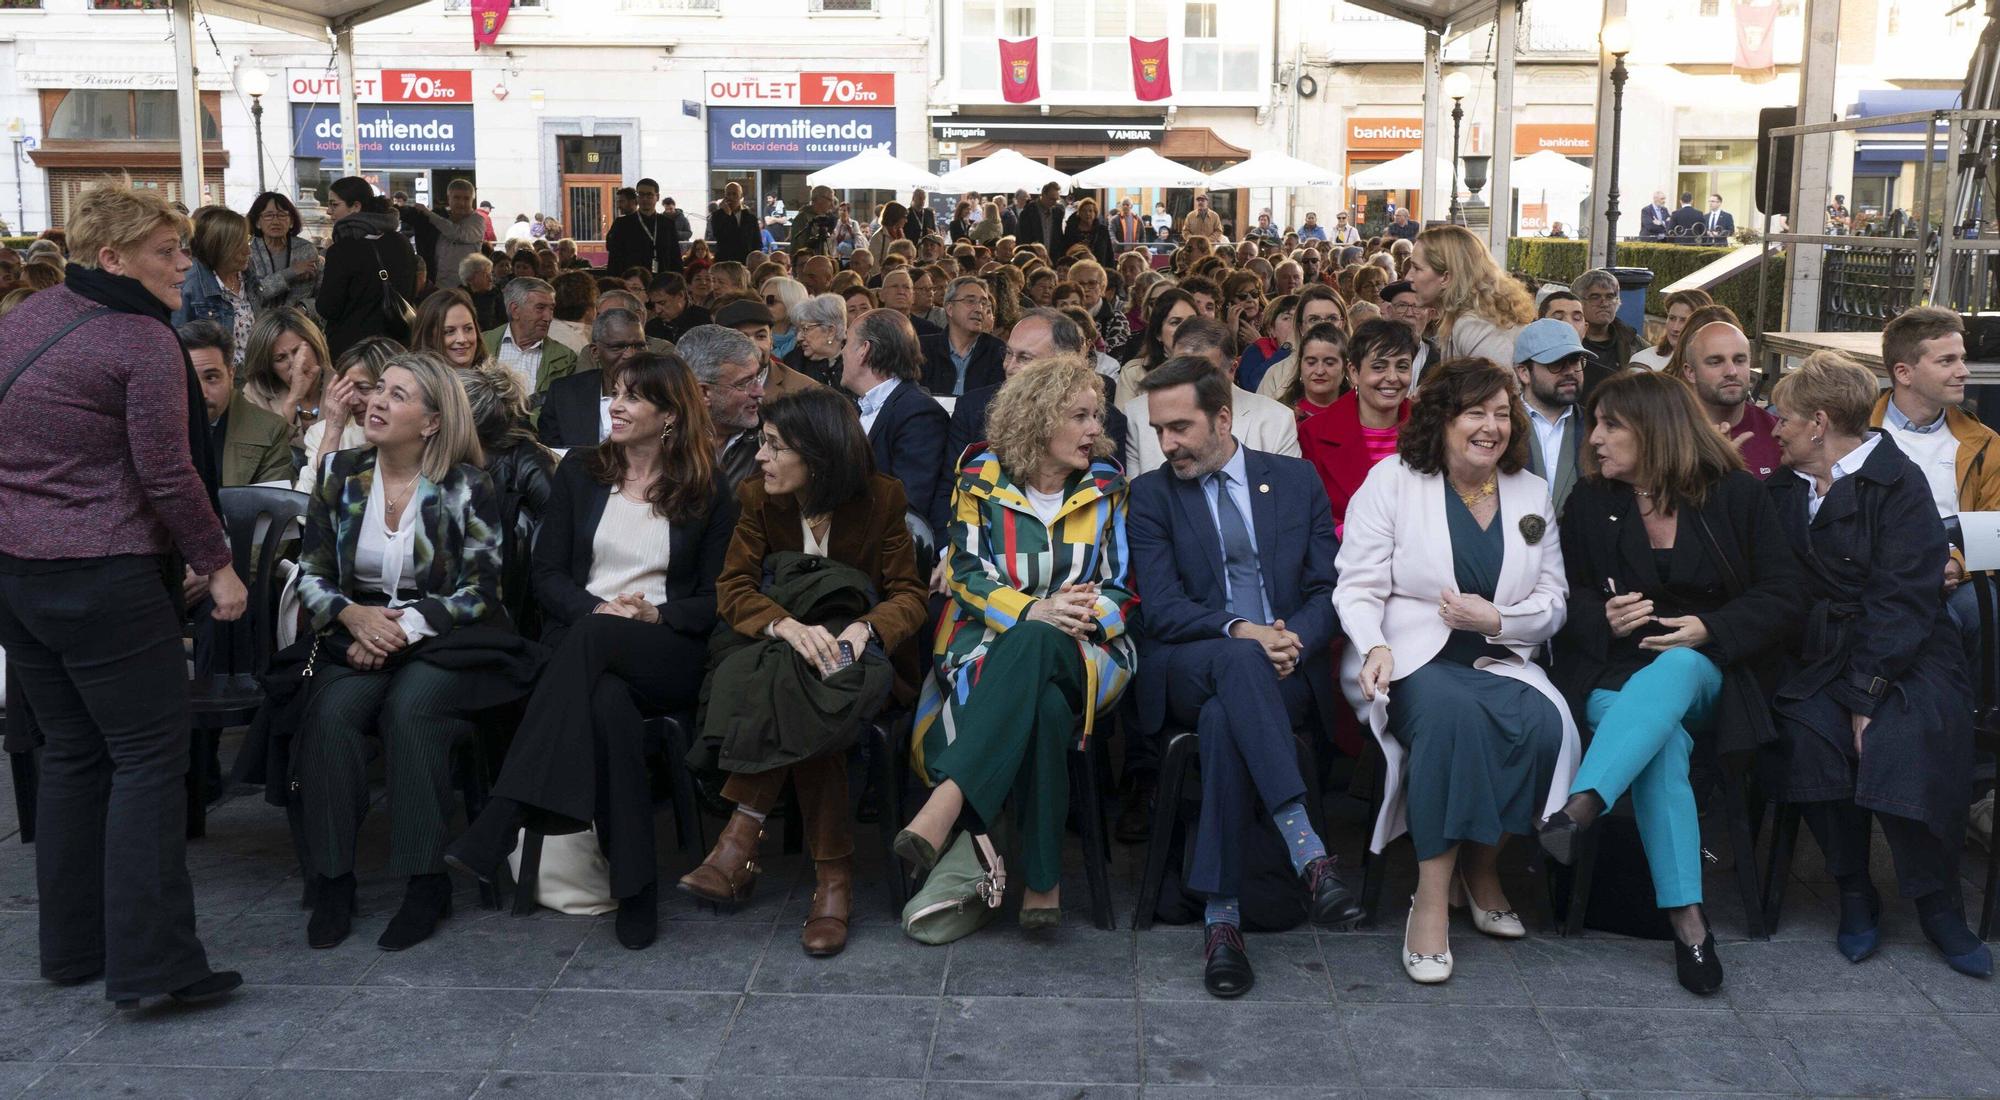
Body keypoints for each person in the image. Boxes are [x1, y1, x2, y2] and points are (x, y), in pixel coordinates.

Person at [0, 182, 247, 1008]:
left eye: (181, 249)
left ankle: (74, 950)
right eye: (164, 252)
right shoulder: (141, 339)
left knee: (72, 753)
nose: (182, 265)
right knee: (147, 759)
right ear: (111, 258)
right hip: (104, 576)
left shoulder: (27, 318)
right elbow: (168, 472)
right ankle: (155, 968)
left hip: (18, 576)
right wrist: (217, 564)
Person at [444, 353, 736, 949]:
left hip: (666, 648)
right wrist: (598, 610)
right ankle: (636, 887)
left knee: (597, 649)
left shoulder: (708, 490)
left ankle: (505, 813)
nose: (615, 407)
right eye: (614, 393)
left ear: (671, 415)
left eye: (632, 397)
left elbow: (717, 598)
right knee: (607, 707)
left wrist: (656, 614)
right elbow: (547, 575)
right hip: (586, 641)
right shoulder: (581, 470)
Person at [1544, 370, 1804, 995]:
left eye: (1611, 425)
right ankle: (1689, 925)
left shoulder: (1735, 495)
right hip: (1613, 672)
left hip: (1711, 672)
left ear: (1655, 430)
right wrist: (1600, 616)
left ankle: (1581, 808)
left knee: (1679, 666)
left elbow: (1786, 593)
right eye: (1595, 423)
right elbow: (1561, 594)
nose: (1594, 438)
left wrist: (1710, 627)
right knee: (1661, 745)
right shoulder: (1591, 501)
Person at [1126, 356, 1364, 997]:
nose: (1167, 444)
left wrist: (1291, 641)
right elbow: (1164, 609)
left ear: (1224, 419)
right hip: (1190, 662)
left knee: (1224, 718)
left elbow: (1327, 589)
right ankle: (1308, 850)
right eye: (1158, 430)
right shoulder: (1150, 495)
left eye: (1180, 427)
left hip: (1283, 667)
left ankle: (1222, 919)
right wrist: (1244, 632)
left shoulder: (1294, 480)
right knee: (1235, 663)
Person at [1334, 357, 1575, 984]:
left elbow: (1553, 599)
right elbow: (1356, 585)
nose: (1491, 427)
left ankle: (1482, 865)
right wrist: (1373, 645)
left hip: (1499, 657)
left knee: (1545, 727)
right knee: (1452, 719)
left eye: (1502, 413)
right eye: (1475, 413)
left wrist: (1497, 620)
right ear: (1442, 419)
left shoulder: (1530, 492)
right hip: (1409, 658)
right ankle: (1431, 898)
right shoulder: (1392, 481)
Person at [678, 386, 929, 955]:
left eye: (773, 445)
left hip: (862, 654)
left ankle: (740, 839)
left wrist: (865, 628)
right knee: (809, 693)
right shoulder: (757, 497)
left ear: (816, 455)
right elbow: (733, 587)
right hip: (776, 651)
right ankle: (833, 880)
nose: (760, 456)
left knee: (819, 683)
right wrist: (785, 625)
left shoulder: (881, 497)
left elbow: (909, 594)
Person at [1764, 354, 1990, 979]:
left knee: (1904, 734)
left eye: (1783, 418)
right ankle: (1853, 889)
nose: (1774, 429)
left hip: (1908, 651)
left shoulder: (1898, 483)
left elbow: (1903, 600)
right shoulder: (1783, 490)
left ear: (1818, 423)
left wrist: (1867, 693)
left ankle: (1938, 902)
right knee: (1809, 731)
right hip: (1817, 654)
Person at [291, 351, 515, 952]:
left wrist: (402, 629)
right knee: (332, 715)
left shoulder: (467, 485)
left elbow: (482, 590)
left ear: (433, 422)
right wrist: (353, 616)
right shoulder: (340, 471)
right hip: (355, 629)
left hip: (446, 638)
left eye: (397, 395)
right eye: (378, 390)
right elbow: (310, 571)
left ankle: (426, 881)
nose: (376, 402)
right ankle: (332, 880)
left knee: (411, 710)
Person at [899, 358, 1135, 928]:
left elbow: (1122, 586)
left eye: (1096, 416)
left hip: (1087, 649)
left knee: (1039, 645)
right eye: (1079, 416)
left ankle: (949, 799)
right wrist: (1033, 610)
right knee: (1045, 706)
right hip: (984, 645)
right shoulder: (978, 478)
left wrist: (1071, 616)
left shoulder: (1108, 486)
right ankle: (1043, 883)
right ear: (1037, 419)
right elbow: (965, 574)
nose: (1095, 429)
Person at [1126, 318, 1299, 474]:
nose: (1191, 380)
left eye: (1205, 373)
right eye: (1182, 367)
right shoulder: (1138, 415)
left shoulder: (1276, 419)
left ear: (1232, 370)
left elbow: (1286, 493)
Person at [1299, 317, 1415, 538]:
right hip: (1341, 553)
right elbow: (1308, 510)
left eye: (1402, 367)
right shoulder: (1313, 432)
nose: (1392, 377)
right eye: (1379, 367)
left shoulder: (1431, 427)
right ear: (1353, 372)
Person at [840, 308, 951, 537]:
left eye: (847, 343)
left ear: (864, 350)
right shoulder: (856, 407)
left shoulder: (918, 413)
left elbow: (907, 503)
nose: (842, 352)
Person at [182, 319, 293, 487]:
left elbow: (270, 501)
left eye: (211, 378)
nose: (201, 393)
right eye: (189, 379)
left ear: (231, 375)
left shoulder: (270, 431)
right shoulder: (152, 428)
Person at [1411, 225, 1536, 371]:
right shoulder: (1470, 318)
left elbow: (1500, 382)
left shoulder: (1473, 325)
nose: (1408, 276)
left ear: (1445, 278)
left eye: (1417, 268)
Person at [318, 178, 418, 358]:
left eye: (334, 204)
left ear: (356, 207)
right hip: (396, 348)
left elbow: (327, 307)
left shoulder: (342, 250)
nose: (328, 211)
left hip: (353, 352)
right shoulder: (401, 242)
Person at [1678, 316, 1782, 479]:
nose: (1731, 371)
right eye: (1715, 362)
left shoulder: (1777, 432)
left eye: (1739, 360)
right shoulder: (1667, 434)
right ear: (1690, 372)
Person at [1512, 318, 1594, 513]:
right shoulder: (1499, 427)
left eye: (1575, 361)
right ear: (1524, 373)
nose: (1570, 371)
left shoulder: (1597, 427)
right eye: (1556, 363)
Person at [298, 336, 397, 496]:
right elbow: (305, 501)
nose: (352, 400)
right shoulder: (321, 434)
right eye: (346, 389)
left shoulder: (411, 433)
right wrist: (333, 431)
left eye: (364, 388)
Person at [680, 323, 769, 490]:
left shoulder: (774, 436)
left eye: (758, 377)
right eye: (745, 383)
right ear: (703, 393)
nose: (759, 391)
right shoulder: (660, 440)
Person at [172, 205, 255, 361]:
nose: (248, 251)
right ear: (217, 247)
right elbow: (177, 350)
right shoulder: (189, 286)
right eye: (239, 245)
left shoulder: (248, 273)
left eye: (247, 240)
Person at [239, 307, 332, 444]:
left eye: (297, 350)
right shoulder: (255, 396)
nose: (295, 364)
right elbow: (259, 452)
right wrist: (293, 399)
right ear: (269, 366)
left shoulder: (344, 384)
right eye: (280, 358)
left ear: (315, 345)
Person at [483, 276, 577, 398]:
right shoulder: (481, 344)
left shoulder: (565, 358)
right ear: (515, 310)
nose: (549, 317)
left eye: (551, 309)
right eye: (540, 308)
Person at [919, 276, 1007, 396]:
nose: (979, 309)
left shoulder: (997, 351)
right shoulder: (922, 349)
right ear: (950, 309)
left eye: (983, 303)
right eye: (970, 301)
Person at [1252, 286, 1343, 400]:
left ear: (1342, 323)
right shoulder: (1276, 374)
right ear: (1301, 327)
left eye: (1332, 318)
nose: (1322, 326)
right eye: (1313, 319)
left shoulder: (1358, 368)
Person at [1116, 288, 1200, 406]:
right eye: (1175, 322)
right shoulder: (1134, 374)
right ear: (1158, 334)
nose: (1185, 329)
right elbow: (1124, 417)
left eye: (1192, 322)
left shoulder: (1214, 370)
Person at [246, 191, 320, 314]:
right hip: (261, 323)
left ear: (291, 222)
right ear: (257, 222)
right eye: (269, 215)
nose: (275, 221)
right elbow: (252, 296)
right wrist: (291, 272)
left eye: (282, 215)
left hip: (299, 321)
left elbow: (323, 294)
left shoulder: (306, 250)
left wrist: (305, 308)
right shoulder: (248, 252)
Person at [410, 180, 486, 290]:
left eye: (466, 198)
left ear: (472, 200)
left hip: (466, 287)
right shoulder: (441, 219)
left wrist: (429, 214)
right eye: (456, 198)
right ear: (448, 198)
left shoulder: (477, 220)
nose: (461, 203)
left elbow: (458, 234)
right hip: (439, 285)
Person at [604, 178, 683, 276]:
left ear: (657, 197)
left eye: (649, 195)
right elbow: (614, 260)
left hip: (662, 280)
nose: (645, 199)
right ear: (637, 198)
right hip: (632, 281)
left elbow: (675, 257)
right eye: (641, 195)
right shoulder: (622, 224)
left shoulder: (667, 224)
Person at [1571, 269, 1639, 380]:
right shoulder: (1565, 340)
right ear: (1578, 303)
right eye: (1595, 297)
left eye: (1610, 296)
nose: (1604, 304)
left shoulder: (1632, 341)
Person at [1627, 289, 1714, 371]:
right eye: (1672, 318)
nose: (1675, 328)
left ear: (1702, 323)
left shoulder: (1715, 361)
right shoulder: (1644, 361)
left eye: (1684, 320)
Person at [1278, 320, 1348, 420]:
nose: (1319, 371)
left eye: (1329, 363)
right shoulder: (1280, 414)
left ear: (1345, 367)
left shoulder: (1363, 414)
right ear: (1300, 365)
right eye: (1311, 363)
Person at [410, 289, 492, 373]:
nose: (462, 339)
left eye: (468, 329)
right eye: (449, 331)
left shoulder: (496, 379)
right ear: (429, 338)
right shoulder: (412, 379)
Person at [784, 291, 847, 389]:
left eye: (805, 329)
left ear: (830, 332)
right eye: (797, 330)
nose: (799, 337)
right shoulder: (793, 364)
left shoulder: (859, 361)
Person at [710, 182, 762, 265]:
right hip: (724, 261)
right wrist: (728, 215)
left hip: (745, 261)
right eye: (728, 194)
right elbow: (719, 235)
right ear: (725, 196)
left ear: (741, 196)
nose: (731, 197)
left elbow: (756, 241)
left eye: (734, 194)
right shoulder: (717, 216)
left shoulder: (750, 217)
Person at [1062, 198, 1116, 269]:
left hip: (1098, 267)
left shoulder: (1102, 230)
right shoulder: (1071, 230)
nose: (1087, 214)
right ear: (1079, 213)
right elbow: (1065, 249)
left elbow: (1109, 252)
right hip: (1076, 266)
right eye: (1084, 211)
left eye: (1090, 211)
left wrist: (1110, 270)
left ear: (1095, 213)